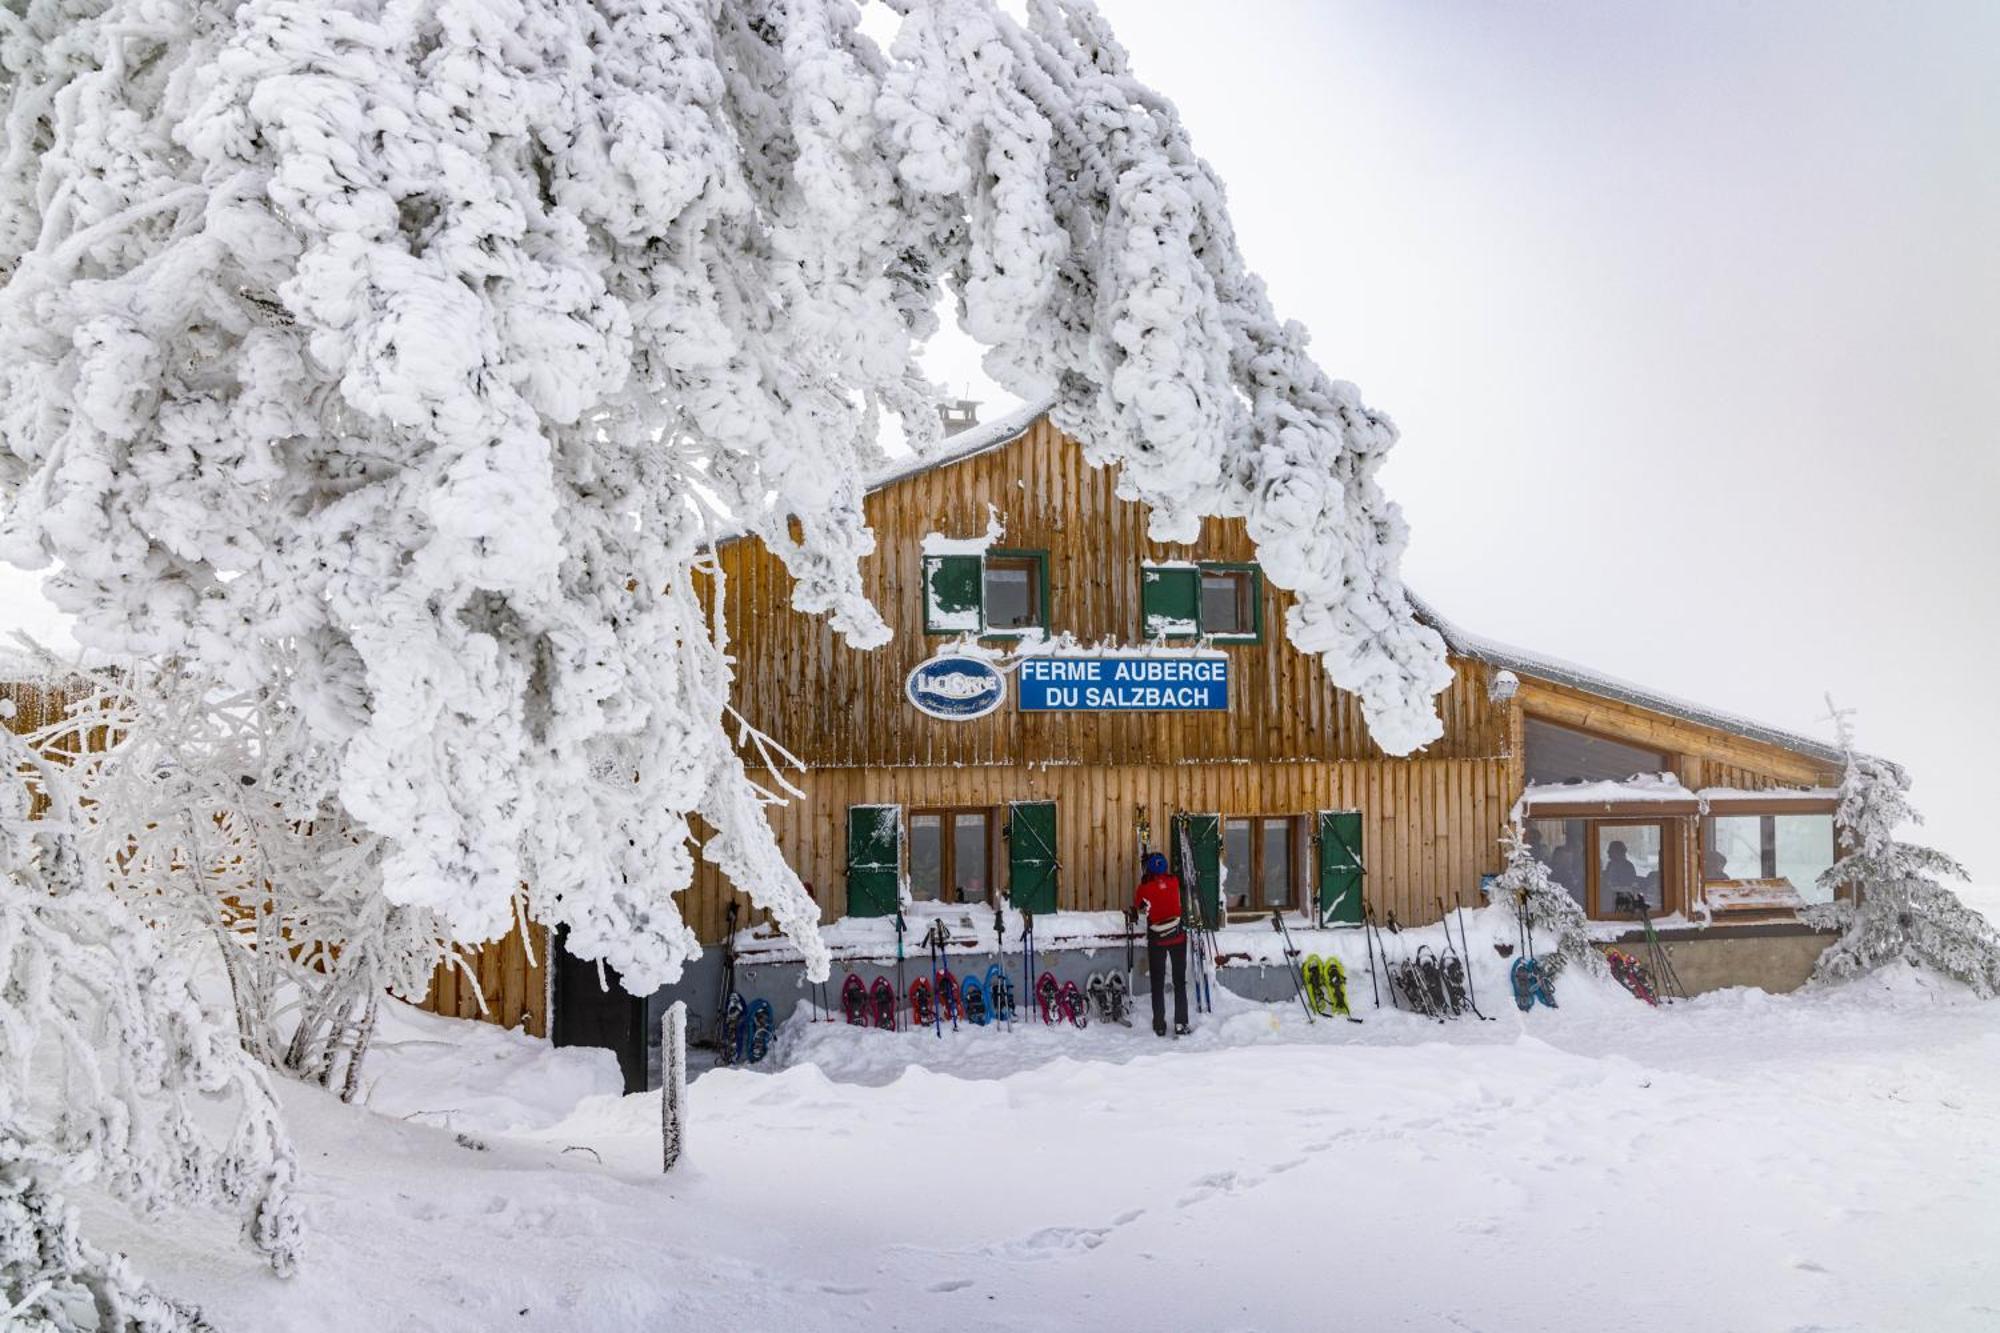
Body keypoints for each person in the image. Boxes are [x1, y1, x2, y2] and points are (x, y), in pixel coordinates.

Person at [1132, 851, 1189, 1037]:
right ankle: (1181, 1023)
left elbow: (1139, 906)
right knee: (1179, 982)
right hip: (1178, 937)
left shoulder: (1145, 887)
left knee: (1157, 982)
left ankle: (1159, 1024)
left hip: (1158, 940)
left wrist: (1145, 880)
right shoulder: (1173, 882)